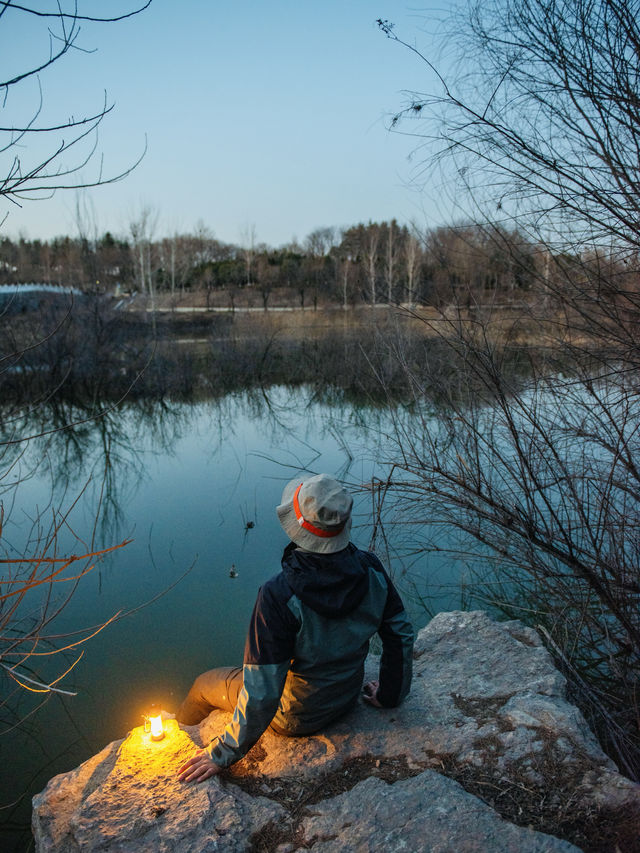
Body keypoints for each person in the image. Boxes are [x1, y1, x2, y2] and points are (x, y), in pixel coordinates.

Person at [177, 473, 414, 784]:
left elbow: (262, 693)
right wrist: (390, 694)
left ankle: (180, 730)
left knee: (205, 684)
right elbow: (401, 634)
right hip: (346, 695)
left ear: (297, 526)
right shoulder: (370, 568)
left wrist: (221, 754)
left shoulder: (278, 594)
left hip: (296, 717)